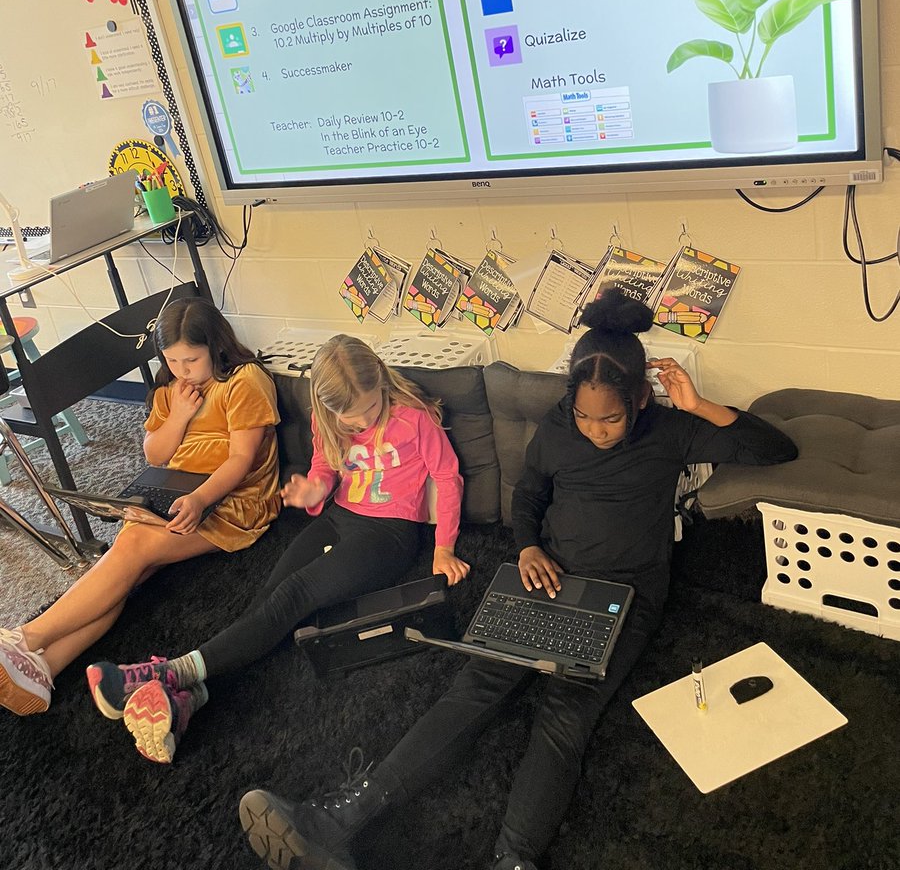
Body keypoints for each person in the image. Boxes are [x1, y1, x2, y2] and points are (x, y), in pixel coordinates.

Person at [237, 288, 798, 870]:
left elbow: (774, 448)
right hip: (545, 577)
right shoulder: (559, 430)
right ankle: (341, 821)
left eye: (610, 418)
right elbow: (529, 494)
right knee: (475, 686)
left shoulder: (671, 431)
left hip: (626, 595)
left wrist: (700, 404)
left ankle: (514, 860)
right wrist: (527, 547)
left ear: (639, 398)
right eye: (583, 414)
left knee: (564, 717)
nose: (595, 430)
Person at [87, 333, 469, 763]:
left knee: (294, 596)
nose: (361, 424)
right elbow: (324, 471)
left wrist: (444, 547)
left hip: (390, 533)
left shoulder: (414, 418)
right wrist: (314, 492)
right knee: (268, 599)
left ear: (380, 381)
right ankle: (188, 699)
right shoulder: (327, 420)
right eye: (350, 419)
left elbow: (448, 480)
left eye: (370, 410)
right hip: (339, 517)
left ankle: (168, 671)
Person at [0, 296, 281, 718]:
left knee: (130, 552)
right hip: (175, 491)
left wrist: (202, 499)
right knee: (127, 565)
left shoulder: (245, 381)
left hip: (230, 502)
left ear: (217, 346)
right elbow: (155, 455)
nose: (182, 370)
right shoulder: (173, 390)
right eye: (172, 361)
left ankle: (26, 638)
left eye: (191, 360)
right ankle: (44, 666)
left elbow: (241, 461)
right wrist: (179, 415)